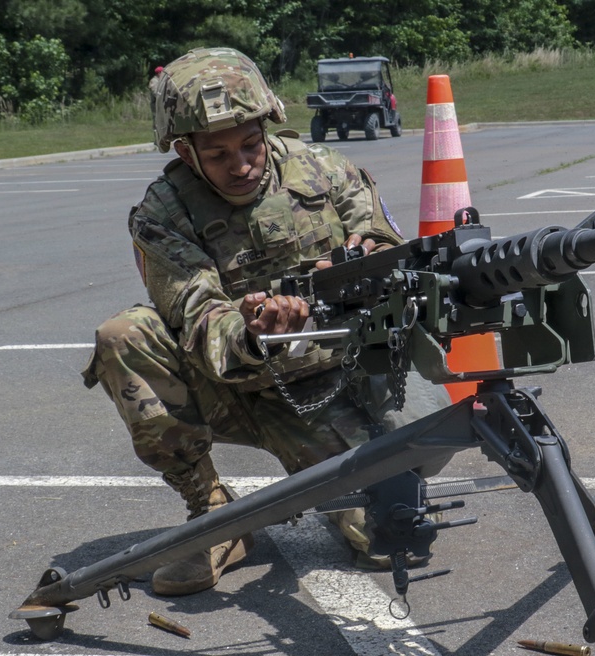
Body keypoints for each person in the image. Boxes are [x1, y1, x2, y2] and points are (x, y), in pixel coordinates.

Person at [83, 46, 451, 596]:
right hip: (229, 385)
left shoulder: (325, 170)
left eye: (250, 144)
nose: (241, 164)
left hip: (329, 381)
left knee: (388, 537)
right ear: (185, 152)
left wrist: (362, 259)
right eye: (218, 153)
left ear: (266, 128)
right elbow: (197, 314)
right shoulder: (164, 213)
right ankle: (212, 515)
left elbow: (386, 246)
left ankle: (343, 479)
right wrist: (254, 331)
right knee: (125, 335)